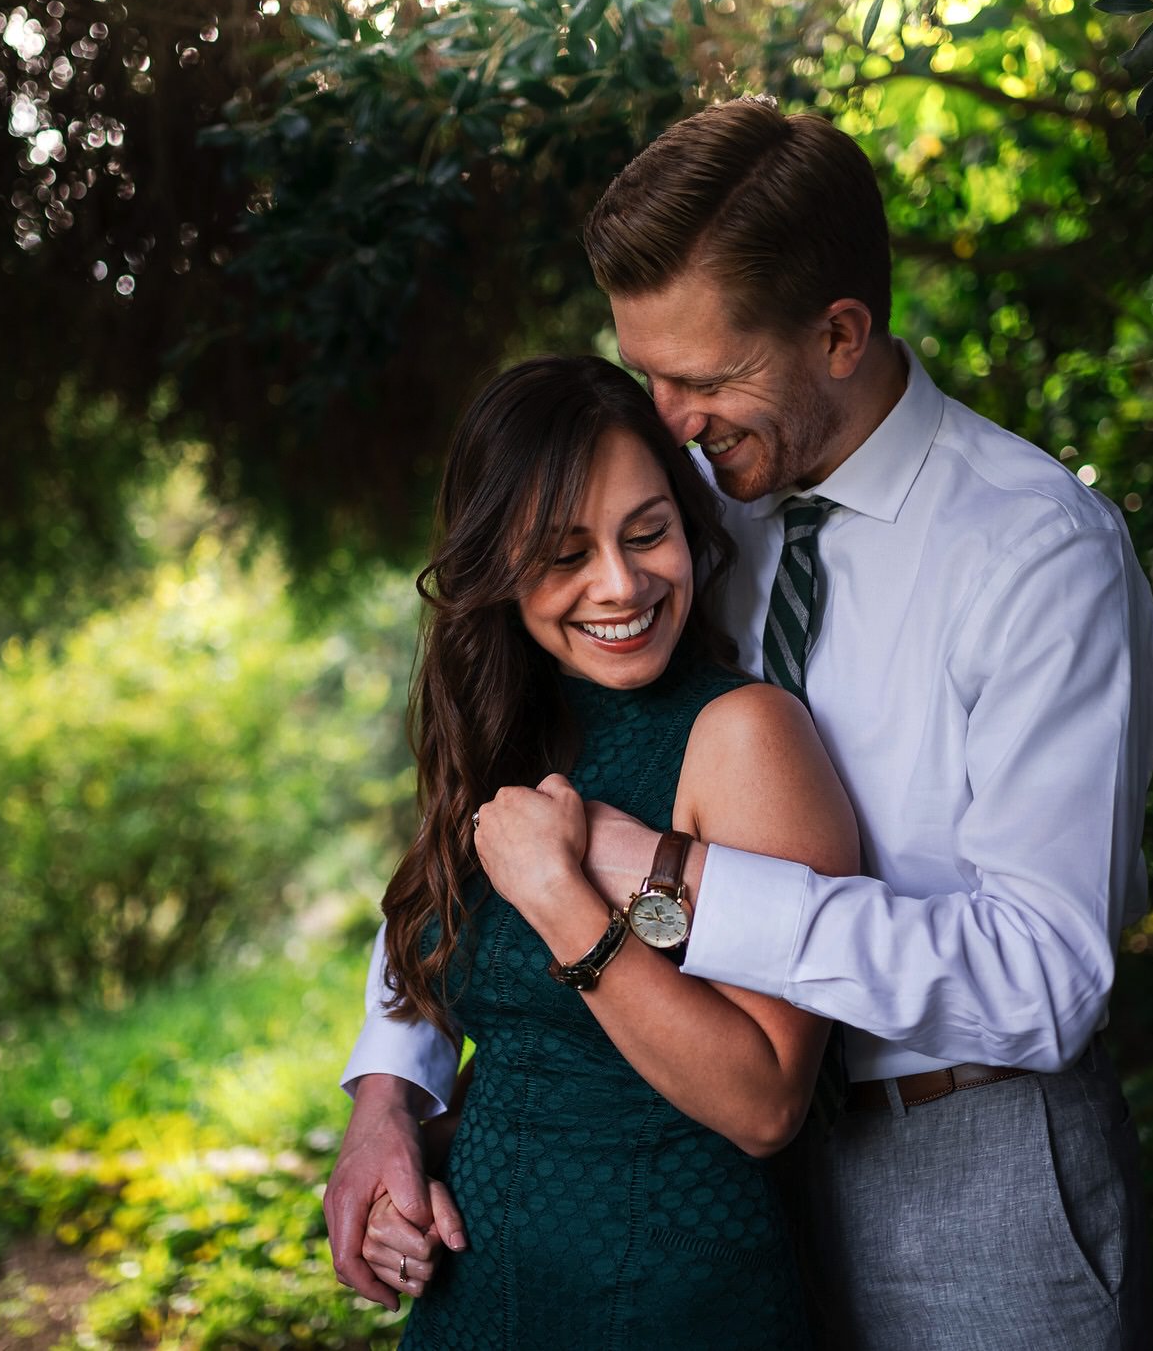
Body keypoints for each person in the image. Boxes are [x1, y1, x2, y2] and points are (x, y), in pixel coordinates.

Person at [331, 98, 1153, 1349]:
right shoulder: (682, 526)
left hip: (959, 1168)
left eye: (702, 377)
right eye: (647, 373)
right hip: (699, 1184)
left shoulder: (1035, 553)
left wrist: (659, 876)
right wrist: (388, 1084)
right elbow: (507, 791)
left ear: (838, 334)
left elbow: (1041, 975)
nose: (667, 417)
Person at [358, 354, 860, 1348]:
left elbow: (764, 1101)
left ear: (687, 522)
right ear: (494, 566)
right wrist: (394, 1142)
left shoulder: (743, 734)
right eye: (561, 555)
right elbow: (503, 1041)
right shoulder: (505, 732)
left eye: (646, 533)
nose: (619, 585)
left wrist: (563, 900)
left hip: (670, 1298)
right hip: (475, 1301)